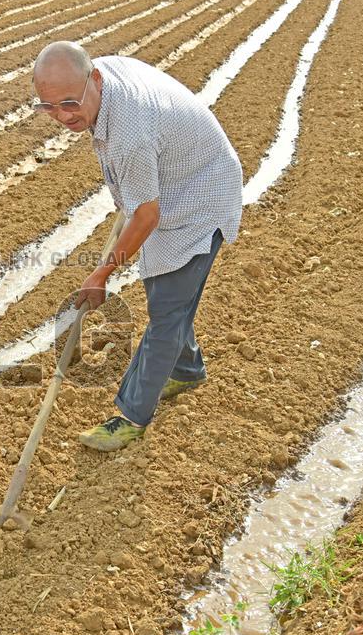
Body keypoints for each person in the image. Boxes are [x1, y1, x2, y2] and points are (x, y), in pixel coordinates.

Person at [31, 41, 242, 452]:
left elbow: (146, 216)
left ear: (93, 79)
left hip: (201, 195)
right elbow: (142, 204)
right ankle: (186, 369)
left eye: (70, 103)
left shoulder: (129, 135)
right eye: (49, 107)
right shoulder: (101, 79)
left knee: (166, 312)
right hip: (174, 179)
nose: (63, 116)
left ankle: (131, 416)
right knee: (166, 295)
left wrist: (101, 274)